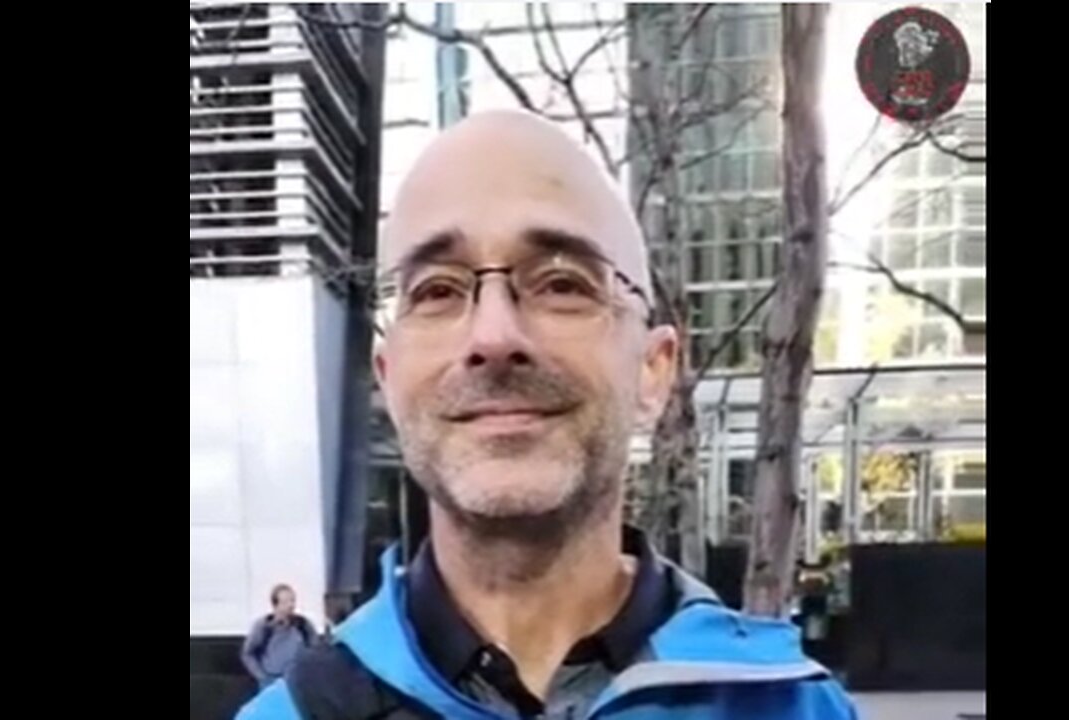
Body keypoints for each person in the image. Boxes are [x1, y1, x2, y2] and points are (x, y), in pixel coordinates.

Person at [238, 110, 857, 719]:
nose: (494, 334)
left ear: (653, 368)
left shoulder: (794, 705)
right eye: (438, 290)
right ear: (388, 379)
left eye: (561, 283)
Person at [240, 584, 318, 689]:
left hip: (298, 680)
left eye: (292, 600)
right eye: (285, 602)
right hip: (272, 681)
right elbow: (248, 653)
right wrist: (262, 677)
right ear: (276, 605)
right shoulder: (264, 627)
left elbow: (315, 649)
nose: (291, 605)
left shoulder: (303, 624)